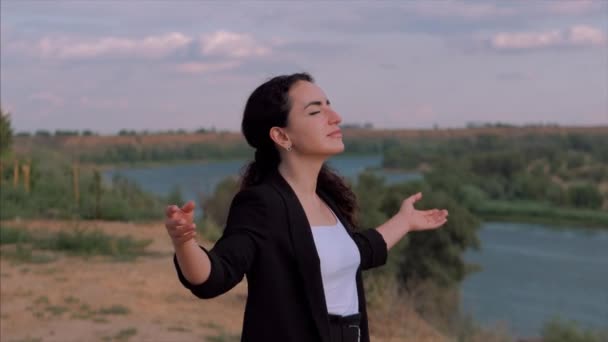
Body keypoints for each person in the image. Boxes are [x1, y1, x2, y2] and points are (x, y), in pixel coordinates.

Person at [164, 73, 448, 342]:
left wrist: (405, 221)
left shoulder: (326, 199)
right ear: (282, 136)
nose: (335, 118)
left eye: (329, 107)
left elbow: (351, 252)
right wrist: (184, 242)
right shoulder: (263, 203)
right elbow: (216, 276)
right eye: (315, 112)